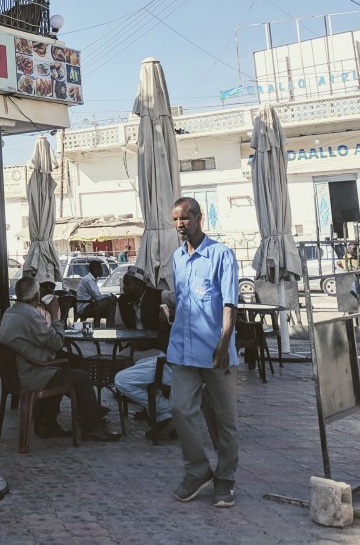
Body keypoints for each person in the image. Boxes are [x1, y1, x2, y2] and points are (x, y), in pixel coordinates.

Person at [166, 197, 239, 508]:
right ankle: (197, 471)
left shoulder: (221, 255)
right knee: (179, 409)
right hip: (183, 349)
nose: (180, 224)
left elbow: (230, 304)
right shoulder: (177, 258)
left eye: (184, 218)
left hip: (215, 351)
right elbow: (183, 298)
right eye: (175, 219)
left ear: (199, 218)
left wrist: (224, 343)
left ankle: (225, 478)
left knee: (224, 420)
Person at [0, 275, 120, 442]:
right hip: (31, 374)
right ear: (37, 295)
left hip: (17, 371)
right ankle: (91, 426)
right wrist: (55, 316)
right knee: (81, 377)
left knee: (71, 361)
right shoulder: (31, 315)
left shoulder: (10, 311)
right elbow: (57, 342)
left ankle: (48, 423)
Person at [114, 269, 175, 439]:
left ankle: (162, 411)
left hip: (158, 348)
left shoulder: (160, 296)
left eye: (128, 284)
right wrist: (132, 341)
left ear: (141, 284)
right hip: (134, 346)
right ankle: (162, 415)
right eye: (124, 283)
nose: (124, 287)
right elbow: (119, 328)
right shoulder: (122, 302)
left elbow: (182, 301)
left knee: (135, 374)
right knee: (117, 362)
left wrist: (169, 319)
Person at [76, 260, 116, 326]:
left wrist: (108, 296)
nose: (102, 271)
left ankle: (110, 327)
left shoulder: (92, 280)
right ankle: (110, 326)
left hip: (91, 304)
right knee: (111, 300)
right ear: (95, 269)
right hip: (85, 307)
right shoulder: (88, 280)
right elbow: (97, 297)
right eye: (100, 268)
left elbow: (98, 295)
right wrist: (108, 297)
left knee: (111, 306)